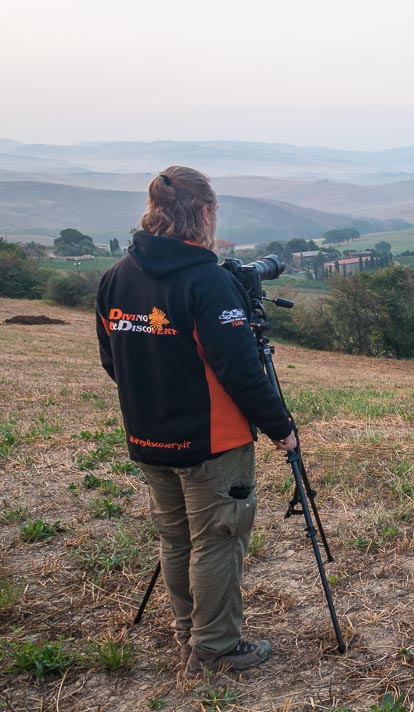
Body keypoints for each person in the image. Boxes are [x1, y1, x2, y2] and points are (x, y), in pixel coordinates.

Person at [96, 166, 298, 674]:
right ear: (204, 213)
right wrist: (281, 427)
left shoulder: (116, 277)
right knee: (218, 539)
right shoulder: (207, 282)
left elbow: (112, 360)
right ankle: (215, 648)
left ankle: (190, 632)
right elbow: (241, 371)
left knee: (176, 538)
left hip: (147, 437)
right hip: (213, 443)